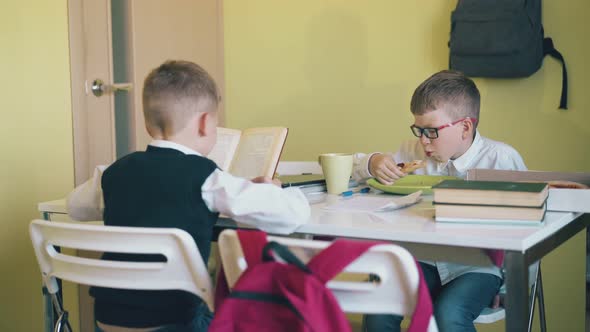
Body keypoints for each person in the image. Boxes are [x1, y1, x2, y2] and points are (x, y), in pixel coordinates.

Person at [67, 60, 310, 332]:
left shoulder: (112, 172)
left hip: (107, 320)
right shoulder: (206, 177)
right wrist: (270, 191)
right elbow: (293, 215)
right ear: (205, 123)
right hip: (175, 322)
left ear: (148, 125)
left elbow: (74, 207)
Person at [353, 70, 526, 332]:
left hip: (475, 265)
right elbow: (357, 176)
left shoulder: (501, 160)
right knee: (379, 306)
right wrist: (372, 162)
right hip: (421, 258)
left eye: (431, 131)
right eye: (418, 129)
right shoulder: (410, 152)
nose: (422, 140)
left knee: (449, 314)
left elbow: (529, 229)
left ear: (465, 127)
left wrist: (510, 287)